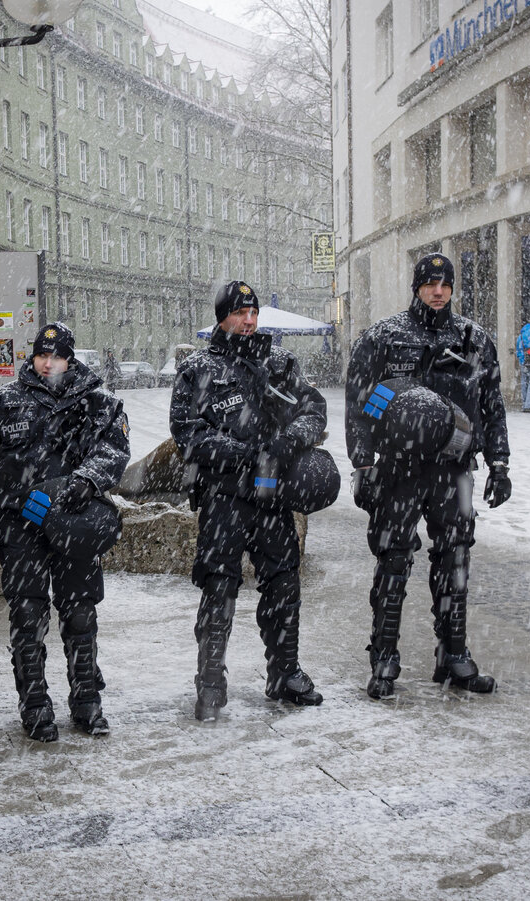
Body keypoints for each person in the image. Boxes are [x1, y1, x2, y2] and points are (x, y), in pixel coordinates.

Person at [345, 253, 511, 700]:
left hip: (454, 468)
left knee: (456, 558)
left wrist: (499, 464)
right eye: (430, 284)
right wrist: (363, 463)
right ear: (416, 287)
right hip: (399, 469)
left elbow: (491, 405)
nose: (438, 292)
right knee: (394, 559)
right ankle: (384, 658)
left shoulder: (473, 339)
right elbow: (361, 404)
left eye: (445, 284)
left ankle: (453, 655)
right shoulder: (384, 337)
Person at [170, 281, 328, 721]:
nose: (249, 320)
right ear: (222, 317)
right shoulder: (198, 368)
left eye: (253, 312)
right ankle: (210, 683)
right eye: (240, 312)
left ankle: (285, 673)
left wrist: (285, 444)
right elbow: (186, 432)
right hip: (224, 496)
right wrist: (242, 453)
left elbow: (314, 411)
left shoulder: (279, 362)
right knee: (218, 588)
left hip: (272, 495)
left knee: (284, 583)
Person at [0, 322, 129, 740]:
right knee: (27, 617)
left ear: (69, 358)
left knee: (80, 614)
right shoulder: (4, 403)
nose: (48, 363)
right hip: (21, 522)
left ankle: (87, 702)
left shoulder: (97, 402)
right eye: (42, 355)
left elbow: (114, 449)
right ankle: (35, 705)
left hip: (75, 519)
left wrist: (87, 479)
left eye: (57, 356)